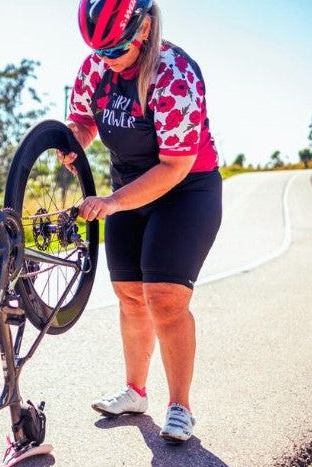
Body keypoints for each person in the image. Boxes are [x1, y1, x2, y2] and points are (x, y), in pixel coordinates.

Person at [60, 0, 222, 443]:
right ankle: (134, 391)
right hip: (128, 186)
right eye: (99, 50)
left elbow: (174, 166)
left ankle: (180, 407)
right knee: (130, 295)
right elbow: (82, 121)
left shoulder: (176, 75)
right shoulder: (96, 66)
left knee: (165, 299)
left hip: (186, 190)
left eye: (115, 49)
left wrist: (111, 202)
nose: (107, 58)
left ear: (145, 26)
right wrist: (73, 141)